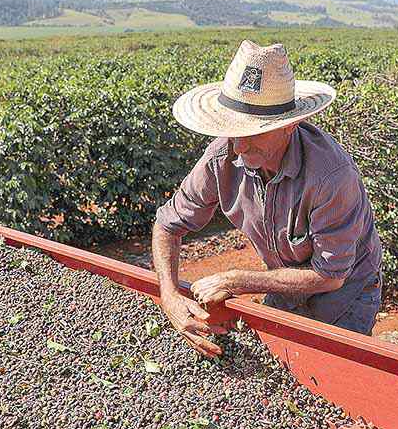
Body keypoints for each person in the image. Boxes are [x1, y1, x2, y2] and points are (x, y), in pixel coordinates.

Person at [153, 40, 383, 357]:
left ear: (289, 126)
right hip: (284, 278)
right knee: (280, 370)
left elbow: (330, 277)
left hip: (346, 293)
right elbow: (167, 224)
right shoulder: (224, 155)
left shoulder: (331, 177)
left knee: (330, 382)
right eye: (234, 132)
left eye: (254, 133)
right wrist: (169, 293)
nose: (240, 148)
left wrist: (237, 280)